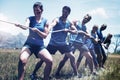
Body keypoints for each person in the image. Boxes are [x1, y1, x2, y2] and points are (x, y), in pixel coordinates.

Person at [30, 6, 78, 78]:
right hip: (53, 44)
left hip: (63, 44)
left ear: (68, 13)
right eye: (63, 11)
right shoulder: (57, 19)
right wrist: (48, 29)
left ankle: (76, 75)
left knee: (72, 57)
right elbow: (52, 24)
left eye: (66, 12)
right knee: (43, 59)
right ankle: (33, 73)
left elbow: (76, 31)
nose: (64, 13)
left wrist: (68, 30)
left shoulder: (69, 22)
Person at [15, 2, 53, 80]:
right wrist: (19, 25)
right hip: (29, 45)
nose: (36, 12)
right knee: (22, 60)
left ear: (42, 10)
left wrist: (37, 31)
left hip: (40, 46)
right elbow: (25, 27)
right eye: (34, 10)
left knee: (49, 61)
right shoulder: (29, 18)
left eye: (38, 11)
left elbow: (45, 36)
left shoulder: (46, 21)